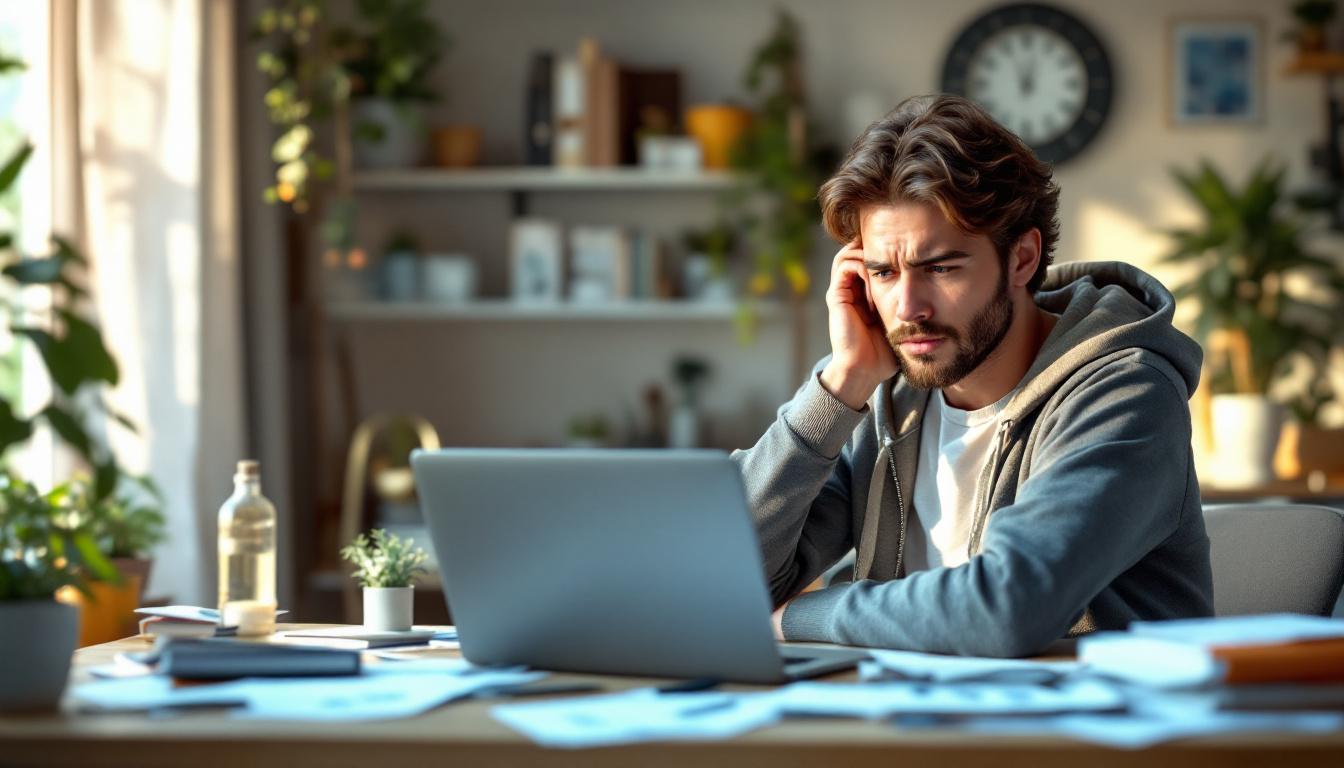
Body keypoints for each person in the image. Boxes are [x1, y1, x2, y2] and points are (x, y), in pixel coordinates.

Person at [732, 94, 1213, 657]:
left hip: (1084, 732)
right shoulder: (882, 393)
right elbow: (729, 578)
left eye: (940, 267)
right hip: (908, 721)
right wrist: (838, 388)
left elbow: (1007, 609)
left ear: (1022, 259)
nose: (908, 307)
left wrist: (801, 616)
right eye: (884, 272)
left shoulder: (1125, 391)